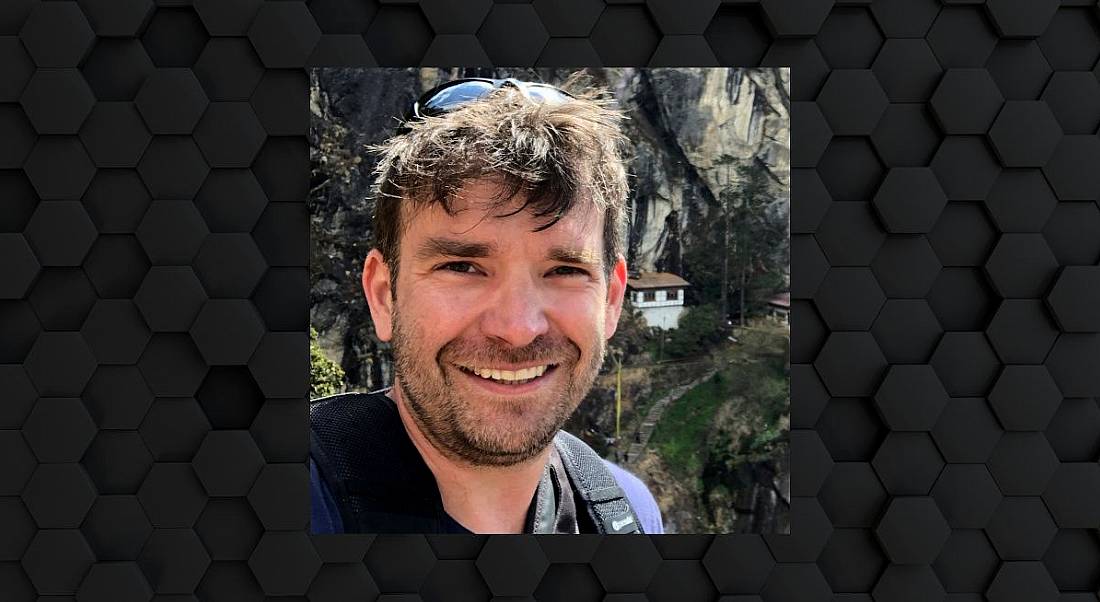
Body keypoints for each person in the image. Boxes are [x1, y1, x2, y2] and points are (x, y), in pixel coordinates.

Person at [310, 75, 664, 535]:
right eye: (461, 267)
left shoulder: (628, 511)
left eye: (564, 271)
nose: (518, 328)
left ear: (611, 299)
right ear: (384, 295)